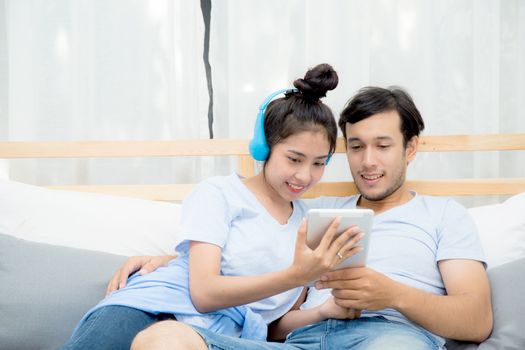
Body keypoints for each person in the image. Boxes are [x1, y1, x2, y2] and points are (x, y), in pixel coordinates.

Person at [129, 86, 493, 350]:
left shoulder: (445, 215)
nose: (367, 161)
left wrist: (392, 295)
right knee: (161, 339)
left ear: (410, 147)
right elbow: (273, 322)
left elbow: (476, 321)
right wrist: (178, 259)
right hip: (300, 342)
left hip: (387, 337)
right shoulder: (312, 215)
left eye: (383, 146)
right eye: (355, 146)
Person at [61, 63, 365, 350]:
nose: (304, 175)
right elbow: (204, 294)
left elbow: (271, 327)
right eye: (294, 159)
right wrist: (295, 276)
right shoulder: (219, 193)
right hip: (151, 308)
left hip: (208, 338)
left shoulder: (305, 227)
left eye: (318, 164)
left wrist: (325, 310)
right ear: (264, 147)